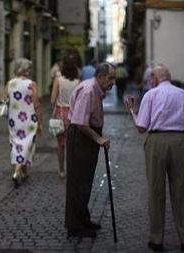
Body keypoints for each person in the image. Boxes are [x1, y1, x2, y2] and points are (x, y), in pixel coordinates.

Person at [126, 64, 184, 252]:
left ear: (155, 79)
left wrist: (133, 112)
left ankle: (156, 240)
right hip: (180, 141)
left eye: (151, 79)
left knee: (156, 191)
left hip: (157, 142)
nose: (150, 82)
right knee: (181, 191)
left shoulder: (151, 95)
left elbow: (142, 128)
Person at [65, 62, 115, 238]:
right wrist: (98, 138)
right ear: (100, 77)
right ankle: (75, 226)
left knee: (85, 180)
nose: (113, 82)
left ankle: (82, 217)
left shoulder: (95, 89)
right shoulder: (89, 91)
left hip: (86, 135)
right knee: (78, 181)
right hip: (81, 136)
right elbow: (80, 122)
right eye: (110, 78)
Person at [3, 58, 43, 187]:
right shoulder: (32, 84)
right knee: (27, 145)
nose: (31, 71)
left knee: (16, 144)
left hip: (14, 119)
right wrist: (40, 122)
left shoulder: (10, 83)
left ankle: (24, 172)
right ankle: (17, 171)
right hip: (29, 119)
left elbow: (3, 99)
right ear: (24, 70)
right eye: (29, 68)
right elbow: (36, 104)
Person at [50, 54, 80, 178]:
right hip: (74, 115)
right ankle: (73, 169)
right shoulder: (78, 82)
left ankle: (62, 170)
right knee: (72, 145)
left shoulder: (58, 80)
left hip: (61, 114)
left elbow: (52, 100)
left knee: (61, 145)